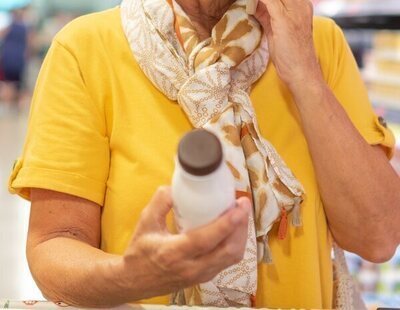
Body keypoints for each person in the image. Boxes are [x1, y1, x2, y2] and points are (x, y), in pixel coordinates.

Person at [8, 0, 400, 308]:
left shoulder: (317, 39)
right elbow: (53, 247)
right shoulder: (86, 49)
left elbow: (379, 238)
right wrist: (135, 274)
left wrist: (305, 76)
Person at [0, 8, 28, 108]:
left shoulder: (8, 27)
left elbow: (1, 35)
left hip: (7, 58)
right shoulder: (25, 28)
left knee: (8, 83)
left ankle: (8, 104)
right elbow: (30, 44)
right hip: (19, 59)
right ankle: (17, 105)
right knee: (18, 84)